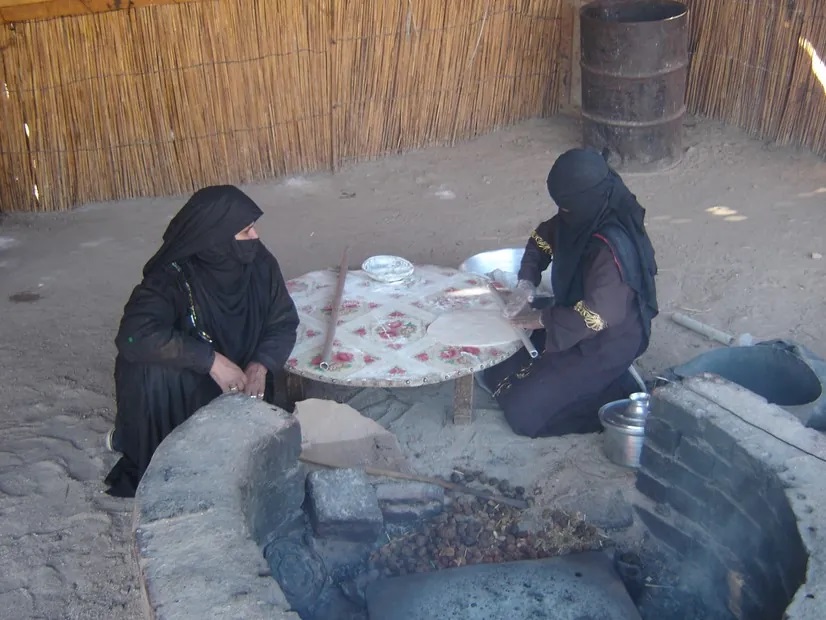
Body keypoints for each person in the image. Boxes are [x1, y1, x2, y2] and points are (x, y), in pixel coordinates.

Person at [104, 185, 299, 497]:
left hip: (241, 380)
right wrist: (210, 361)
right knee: (150, 368)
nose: (256, 236)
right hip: (190, 383)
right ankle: (138, 440)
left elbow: (283, 321)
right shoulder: (172, 277)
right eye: (246, 231)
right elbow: (134, 335)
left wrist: (261, 365)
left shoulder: (259, 263)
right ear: (215, 239)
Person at [482, 148, 658, 438]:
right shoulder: (583, 214)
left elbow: (597, 315)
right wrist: (526, 283)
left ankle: (618, 393)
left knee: (523, 413)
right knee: (495, 368)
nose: (562, 213)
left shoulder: (611, 247)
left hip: (605, 341)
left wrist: (541, 319)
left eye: (567, 208)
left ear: (582, 200)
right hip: (569, 318)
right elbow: (542, 241)